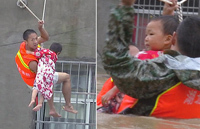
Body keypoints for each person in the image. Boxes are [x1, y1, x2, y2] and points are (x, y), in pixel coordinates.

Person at [102, 0, 200, 118]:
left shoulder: (158, 74)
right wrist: (166, 18)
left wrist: (124, 8)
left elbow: (117, 62)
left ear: (172, 38)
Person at [98, 15, 179, 114]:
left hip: (130, 100)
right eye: (146, 35)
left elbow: (128, 78)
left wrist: (112, 91)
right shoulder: (173, 58)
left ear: (168, 39)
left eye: (151, 34)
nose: (146, 38)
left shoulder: (144, 56)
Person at [15, 21, 77, 117]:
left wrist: (40, 28)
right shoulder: (32, 62)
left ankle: (51, 107)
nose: (36, 41)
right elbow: (43, 79)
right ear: (26, 42)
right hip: (34, 80)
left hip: (34, 76)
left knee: (48, 80)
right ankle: (62, 106)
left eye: (36, 38)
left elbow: (45, 38)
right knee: (65, 77)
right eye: (33, 40)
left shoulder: (25, 46)